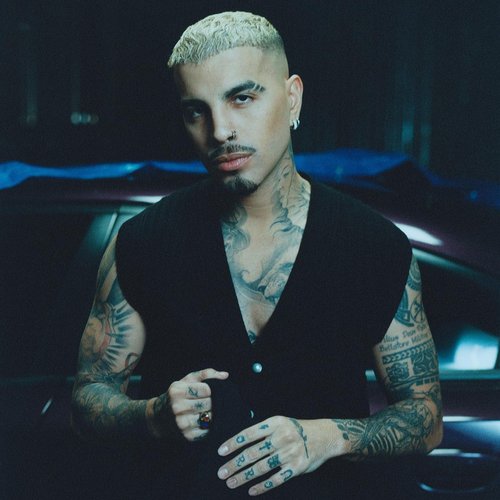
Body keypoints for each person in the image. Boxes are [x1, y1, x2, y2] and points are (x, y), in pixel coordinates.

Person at [71, 11, 443, 498]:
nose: (219, 130)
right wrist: (153, 415)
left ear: (292, 98)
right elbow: (87, 399)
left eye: (241, 98)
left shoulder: (374, 246)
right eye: (196, 111)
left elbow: (426, 417)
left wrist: (327, 437)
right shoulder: (142, 242)